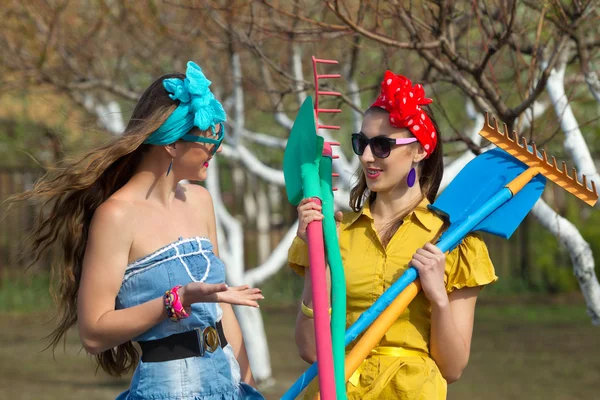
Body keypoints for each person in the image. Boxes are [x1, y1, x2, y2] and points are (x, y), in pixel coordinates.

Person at [12, 61, 265, 400]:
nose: (213, 150)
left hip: (227, 386)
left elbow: (222, 309)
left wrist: (248, 386)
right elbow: (93, 332)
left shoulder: (201, 201)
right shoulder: (115, 216)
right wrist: (176, 300)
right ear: (172, 145)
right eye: (207, 140)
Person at [288, 71, 498, 399]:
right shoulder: (336, 234)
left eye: (382, 145)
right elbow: (310, 350)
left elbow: (453, 368)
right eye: (362, 143)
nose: (367, 156)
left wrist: (438, 297)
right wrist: (319, 259)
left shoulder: (454, 241)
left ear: (418, 151)